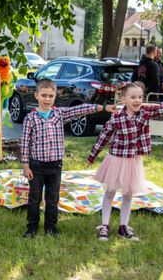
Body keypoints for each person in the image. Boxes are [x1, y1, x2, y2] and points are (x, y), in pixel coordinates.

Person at [89, 82, 163, 241]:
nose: (137, 100)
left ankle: (123, 227)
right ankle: (105, 226)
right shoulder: (116, 117)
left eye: (140, 97)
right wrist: (93, 155)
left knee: (128, 194)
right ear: (123, 99)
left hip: (133, 160)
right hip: (116, 158)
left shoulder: (145, 113)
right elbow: (104, 137)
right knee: (110, 191)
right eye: (133, 97)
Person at [20, 78, 116, 238]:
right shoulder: (30, 118)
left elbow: (82, 109)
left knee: (53, 199)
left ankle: (51, 228)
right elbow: (25, 142)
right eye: (43, 95)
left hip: (55, 166)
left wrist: (103, 107)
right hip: (36, 166)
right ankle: (31, 228)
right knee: (34, 199)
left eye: (50, 96)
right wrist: (25, 165)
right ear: (36, 95)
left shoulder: (59, 114)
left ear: (55, 96)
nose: (47, 99)